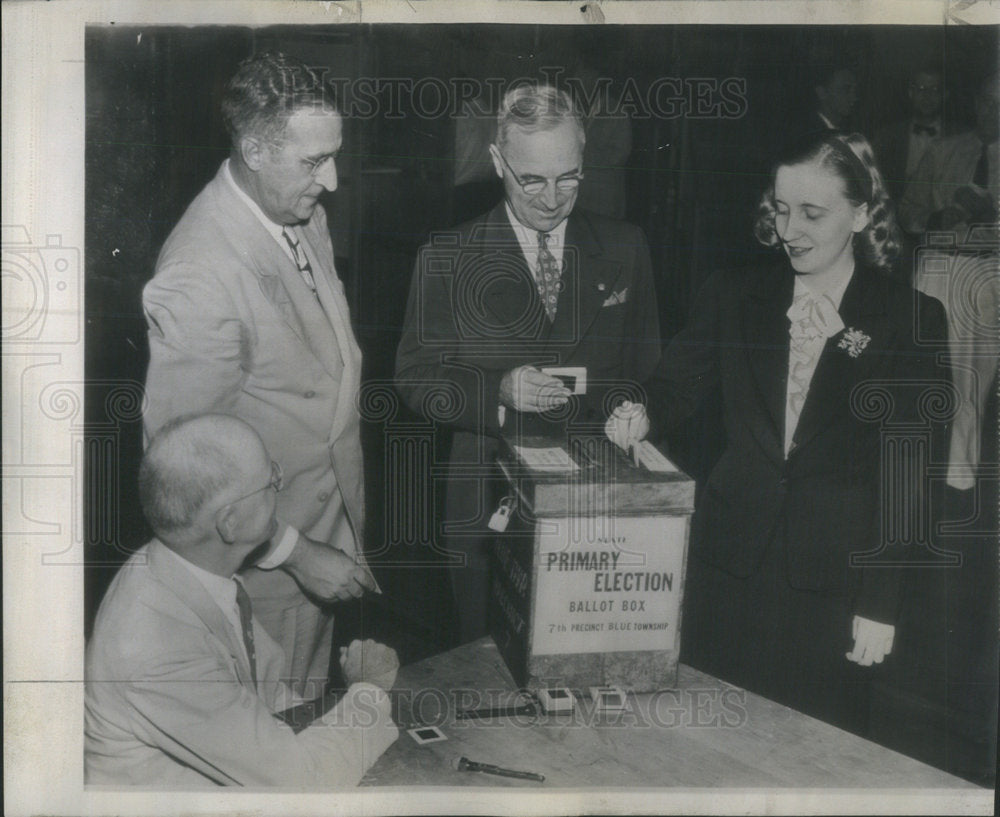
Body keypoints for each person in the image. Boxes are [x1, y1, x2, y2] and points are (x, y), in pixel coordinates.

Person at [606, 131, 950, 736]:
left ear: (862, 214)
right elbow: (672, 388)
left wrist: (881, 604)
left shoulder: (911, 319)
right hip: (726, 565)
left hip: (835, 585)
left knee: (809, 756)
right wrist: (642, 414)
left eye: (813, 214)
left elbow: (910, 475)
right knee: (705, 744)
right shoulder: (733, 294)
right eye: (783, 208)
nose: (791, 229)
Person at [142, 52, 376, 700]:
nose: (330, 180)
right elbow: (184, 472)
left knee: (301, 717)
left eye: (333, 156)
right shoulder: (200, 271)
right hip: (260, 569)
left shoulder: (300, 212)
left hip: (324, 532)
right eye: (312, 162)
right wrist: (296, 553)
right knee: (269, 752)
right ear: (253, 147)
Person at [395, 84, 661, 643]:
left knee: (584, 667)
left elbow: (646, 371)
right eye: (531, 179)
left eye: (569, 177)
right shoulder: (447, 257)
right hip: (487, 503)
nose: (551, 198)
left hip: (595, 505)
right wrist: (498, 391)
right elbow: (417, 377)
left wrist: (638, 411)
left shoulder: (626, 246)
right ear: (497, 162)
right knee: (488, 668)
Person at [85, 414, 399, 787]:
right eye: (271, 481)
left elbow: (264, 692)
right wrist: (368, 690)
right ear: (229, 523)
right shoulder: (160, 651)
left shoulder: (192, 568)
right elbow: (302, 786)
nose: (279, 486)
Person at [898, 72, 999, 236]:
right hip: (942, 256)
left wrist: (993, 216)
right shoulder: (940, 151)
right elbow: (906, 211)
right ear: (976, 103)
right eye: (988, 102)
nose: (993, 112)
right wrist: (935, 219)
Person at [873, 65, 961, 203]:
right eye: (921, 89)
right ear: (910, 93)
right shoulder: (887, 137)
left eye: (935, 90)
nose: (927, 96)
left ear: (945, 95)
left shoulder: (961, 136)